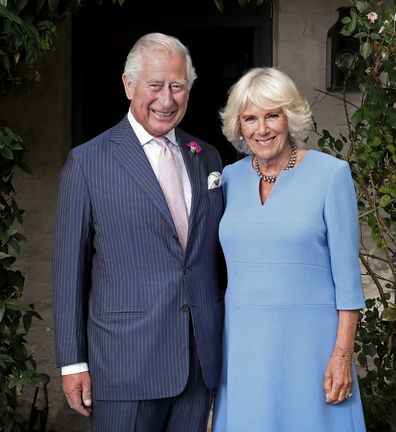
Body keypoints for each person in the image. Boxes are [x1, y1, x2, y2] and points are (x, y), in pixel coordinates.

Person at [53, 32, 225, 432]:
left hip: (199, 362)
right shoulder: (87, 162)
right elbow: (68, 272)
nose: (167, 99)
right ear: (129, 85)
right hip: (125, 364)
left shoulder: (208, 157)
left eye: (177, 86)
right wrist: (73, 361)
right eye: (155, 85)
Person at [211, 67, 366, 431]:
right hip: (242, 348)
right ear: (238, 125)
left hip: (310, 349)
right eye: (250, 118)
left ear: (289, 117)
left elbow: (348, 282)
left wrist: (342, 355)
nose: (261, 129)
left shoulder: (332, 174)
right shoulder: (230, 178)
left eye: (272, 116)